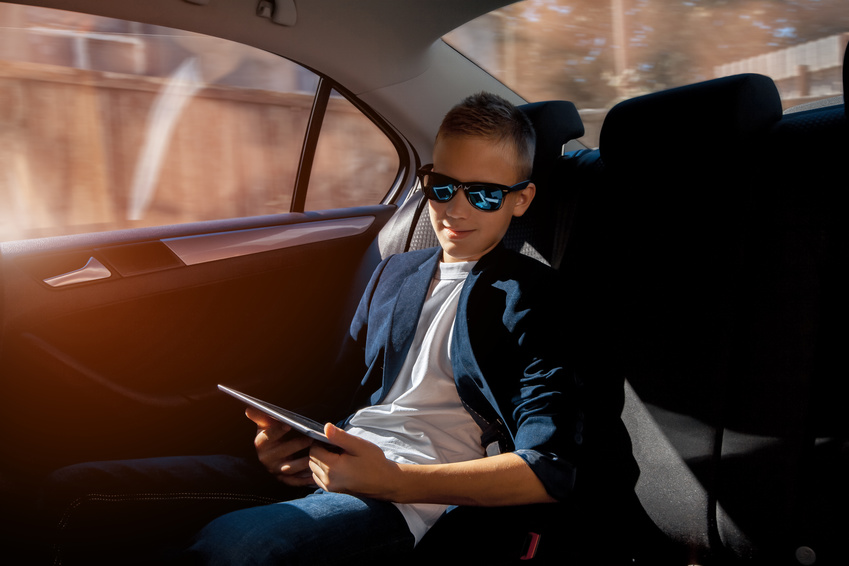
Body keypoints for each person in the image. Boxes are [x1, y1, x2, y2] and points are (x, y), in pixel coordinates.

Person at [42, 92, 637, 566]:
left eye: (483, 195)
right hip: (335, 467)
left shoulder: (536, 300)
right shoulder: (397, 273)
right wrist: (284, 449)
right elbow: (344, 394)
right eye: (442, 187)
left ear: (522, 200)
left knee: (239, 547)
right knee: (69, 490)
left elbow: (551, 468)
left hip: (415, 497)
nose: (456, 209)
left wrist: (396, 480)